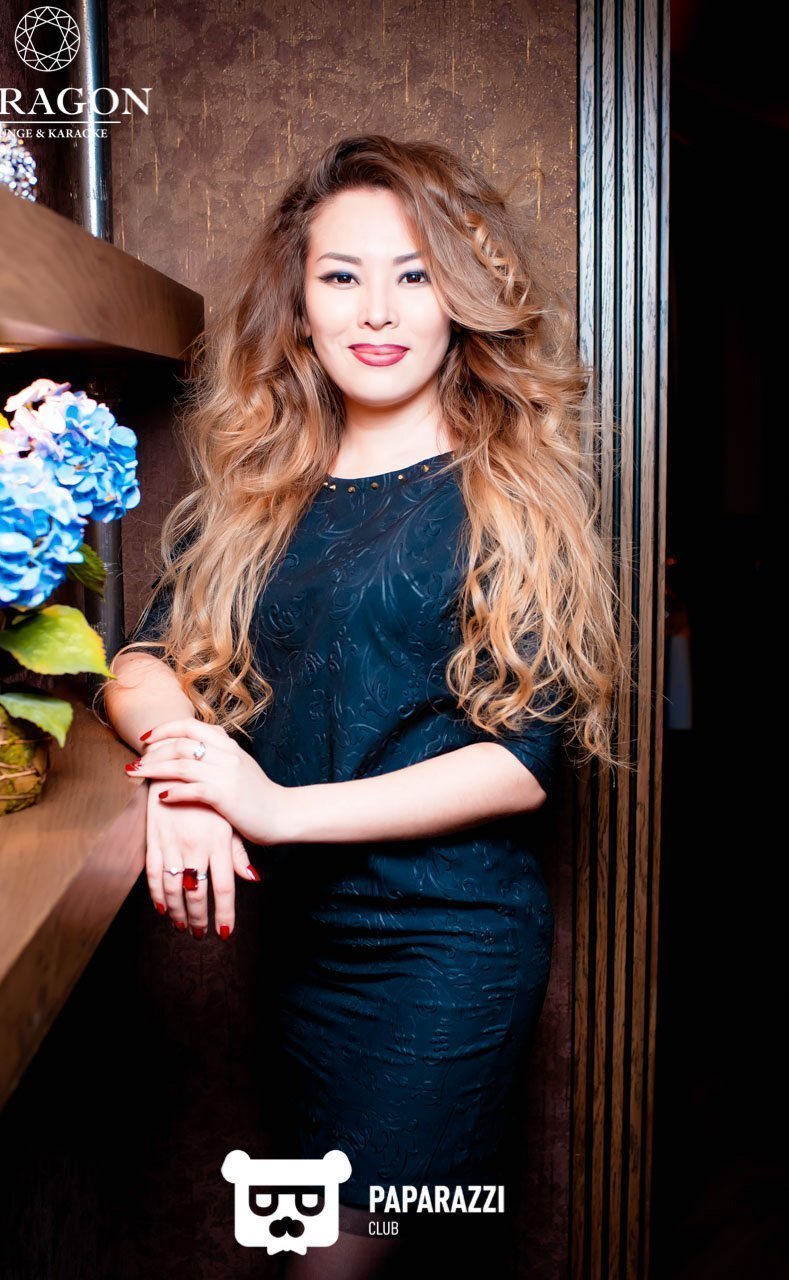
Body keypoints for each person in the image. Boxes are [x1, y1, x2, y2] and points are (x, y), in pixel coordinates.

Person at [99, 134, 627, 1278]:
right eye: (341, 274)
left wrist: (273, 808)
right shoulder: (260, 488)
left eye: (414, 273)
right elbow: (139, 662)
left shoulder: (511, 489)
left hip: (449, 945)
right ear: (299, 301)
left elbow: (521, 760)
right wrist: (185, 770)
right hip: (301, 944)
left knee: (336, 1258)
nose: (375, 309)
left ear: (460, 297)